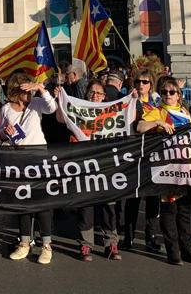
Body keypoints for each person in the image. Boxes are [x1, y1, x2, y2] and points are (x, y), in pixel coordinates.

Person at [55, 79, 122, 262]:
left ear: (104, 97)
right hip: (84, 164)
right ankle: (86, 243)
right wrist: (61, 99)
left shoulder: (112, 113)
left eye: (99, 93)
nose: (95, 96)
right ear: (86, 96)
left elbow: (128, 119)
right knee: (86, 205)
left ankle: (111, 242)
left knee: (110, 205)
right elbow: (61, 119)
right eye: (91, 93)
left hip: (107, 165)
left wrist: (132, 98)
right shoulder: (79, 110)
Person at [0, 71, 57, 265]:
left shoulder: (37, 104)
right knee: (22, 200)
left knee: (41, 201)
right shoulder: (6, 108)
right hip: (18, 159)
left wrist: (40, 88)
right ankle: (24, 242)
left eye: (30, 89)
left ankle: (46, 245)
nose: (29, 94)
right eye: (26, 90)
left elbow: (52, 107)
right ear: (16, 90)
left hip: (38, 156)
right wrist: (6, 133)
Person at [147, 76, 191, 265]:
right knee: (170, 211)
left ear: (179, 95)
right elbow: (140, 126)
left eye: (172, 92)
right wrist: (158, 124)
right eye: (164, 92)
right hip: (168, 169)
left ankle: (187, 249)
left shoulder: (186, 111)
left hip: (187, 167)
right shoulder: (157, 112)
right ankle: (173, 251)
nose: (168, 95)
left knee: (186, 211)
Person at [122, 70, 163, 253]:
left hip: (153, 153)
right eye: (138, 81)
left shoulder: (157, 103)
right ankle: (128, 236)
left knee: (153, 198)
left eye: (145, 82)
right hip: (135, 153)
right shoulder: (128, 102)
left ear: (150, 85)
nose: (141, 84)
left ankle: (150, 236)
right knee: (134, 197)